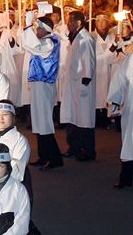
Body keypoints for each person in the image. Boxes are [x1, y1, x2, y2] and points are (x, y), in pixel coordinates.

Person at [22, 14, 64, 170]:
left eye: (38, 28)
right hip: (38, 83)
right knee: (38, 120)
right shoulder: (44, 41)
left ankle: (54, 158)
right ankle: (43, 155)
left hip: (45, 84)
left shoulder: (50, 42)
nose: (36, 31)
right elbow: (29, 44)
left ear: (45, 29)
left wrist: (27, 26)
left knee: (44, 121)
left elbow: (33, 46)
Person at [60, 11, 97, 161]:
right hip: (73, 84)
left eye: (70, 22)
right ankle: (74, 147)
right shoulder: (76, 37)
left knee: (84, 119)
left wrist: (84, 84)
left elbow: (88, 63)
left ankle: (87, 151)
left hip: (82, 86)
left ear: (79, 23)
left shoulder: (85, 39)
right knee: (73, 118)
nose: (68, 25)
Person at [107, 31, 133, 188]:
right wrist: (114, 102)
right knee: (130, 145)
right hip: (132, 111)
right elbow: (118, 83)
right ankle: (125, 179)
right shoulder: (128, 62)